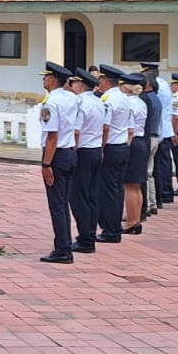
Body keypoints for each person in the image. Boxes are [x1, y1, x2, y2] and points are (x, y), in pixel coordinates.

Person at [37, 62, 79, 264]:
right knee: (64, 203)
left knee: (57, 204)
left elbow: (52, 136)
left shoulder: (51, 103)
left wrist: (46, 165)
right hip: (70, 151)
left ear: (52, 80)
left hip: (56, 155)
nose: (43, 80)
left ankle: (62, 249)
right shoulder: (72, 97)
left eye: (45, 77)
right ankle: (65, 245)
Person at [67, 68, 104, 254]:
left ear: (80, 84)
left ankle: (85, 239)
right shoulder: (98, 102)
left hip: (83, 152)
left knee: (79, 197)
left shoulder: (80, 103)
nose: (71, 86)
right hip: (96, 150)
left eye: (73, 83)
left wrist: (71, 151)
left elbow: (76, 131)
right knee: (91, 196)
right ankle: (89, 235)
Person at [96, 65, 131, 243]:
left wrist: (100, 149)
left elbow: (105, 127)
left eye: (100, 81)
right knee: (117, 190)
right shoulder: (124, 98)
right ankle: (115, 227)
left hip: (111, 147)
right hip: (123, 146)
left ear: (105, 81)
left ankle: (110, 230)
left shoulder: (108, 98)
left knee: (108, 191)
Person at [122, 75, 150, 234]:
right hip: (141, 142)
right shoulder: (141, 102)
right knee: (136, 186)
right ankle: (136, 219)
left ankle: (132, 221)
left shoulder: (129, 103)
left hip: (133, 142)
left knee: (129, 185)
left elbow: (129, 130)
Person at [138, 64, 163, 216]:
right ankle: (152, 203)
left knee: (144, 174)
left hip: (149, 137)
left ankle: (146, 205)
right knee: (149, 173)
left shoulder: (147, 99)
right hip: (155, 137)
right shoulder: (156, 98)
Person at [152, 67, 177, 211]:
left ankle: (164, 192)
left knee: (160, 166)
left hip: (160, 129)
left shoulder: (158, 86)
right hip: (165, 128)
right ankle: (166, 192)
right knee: (165, 164)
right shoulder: (164, 84)